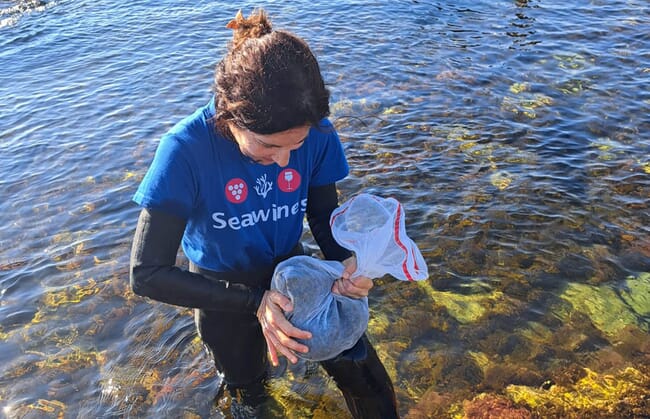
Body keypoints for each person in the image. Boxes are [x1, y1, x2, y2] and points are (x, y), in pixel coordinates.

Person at [129, 9, 398, 418]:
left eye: (297, 144)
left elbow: (323, 215)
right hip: (221, 291)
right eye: (269, 147)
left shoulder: (317, 131)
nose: (285, 159)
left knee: (366, 375)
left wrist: (346, 261)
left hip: (294, 272)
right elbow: (146, 273)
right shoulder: (184, 150)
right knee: (250, 398)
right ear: (229, 118)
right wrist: (254, 303)